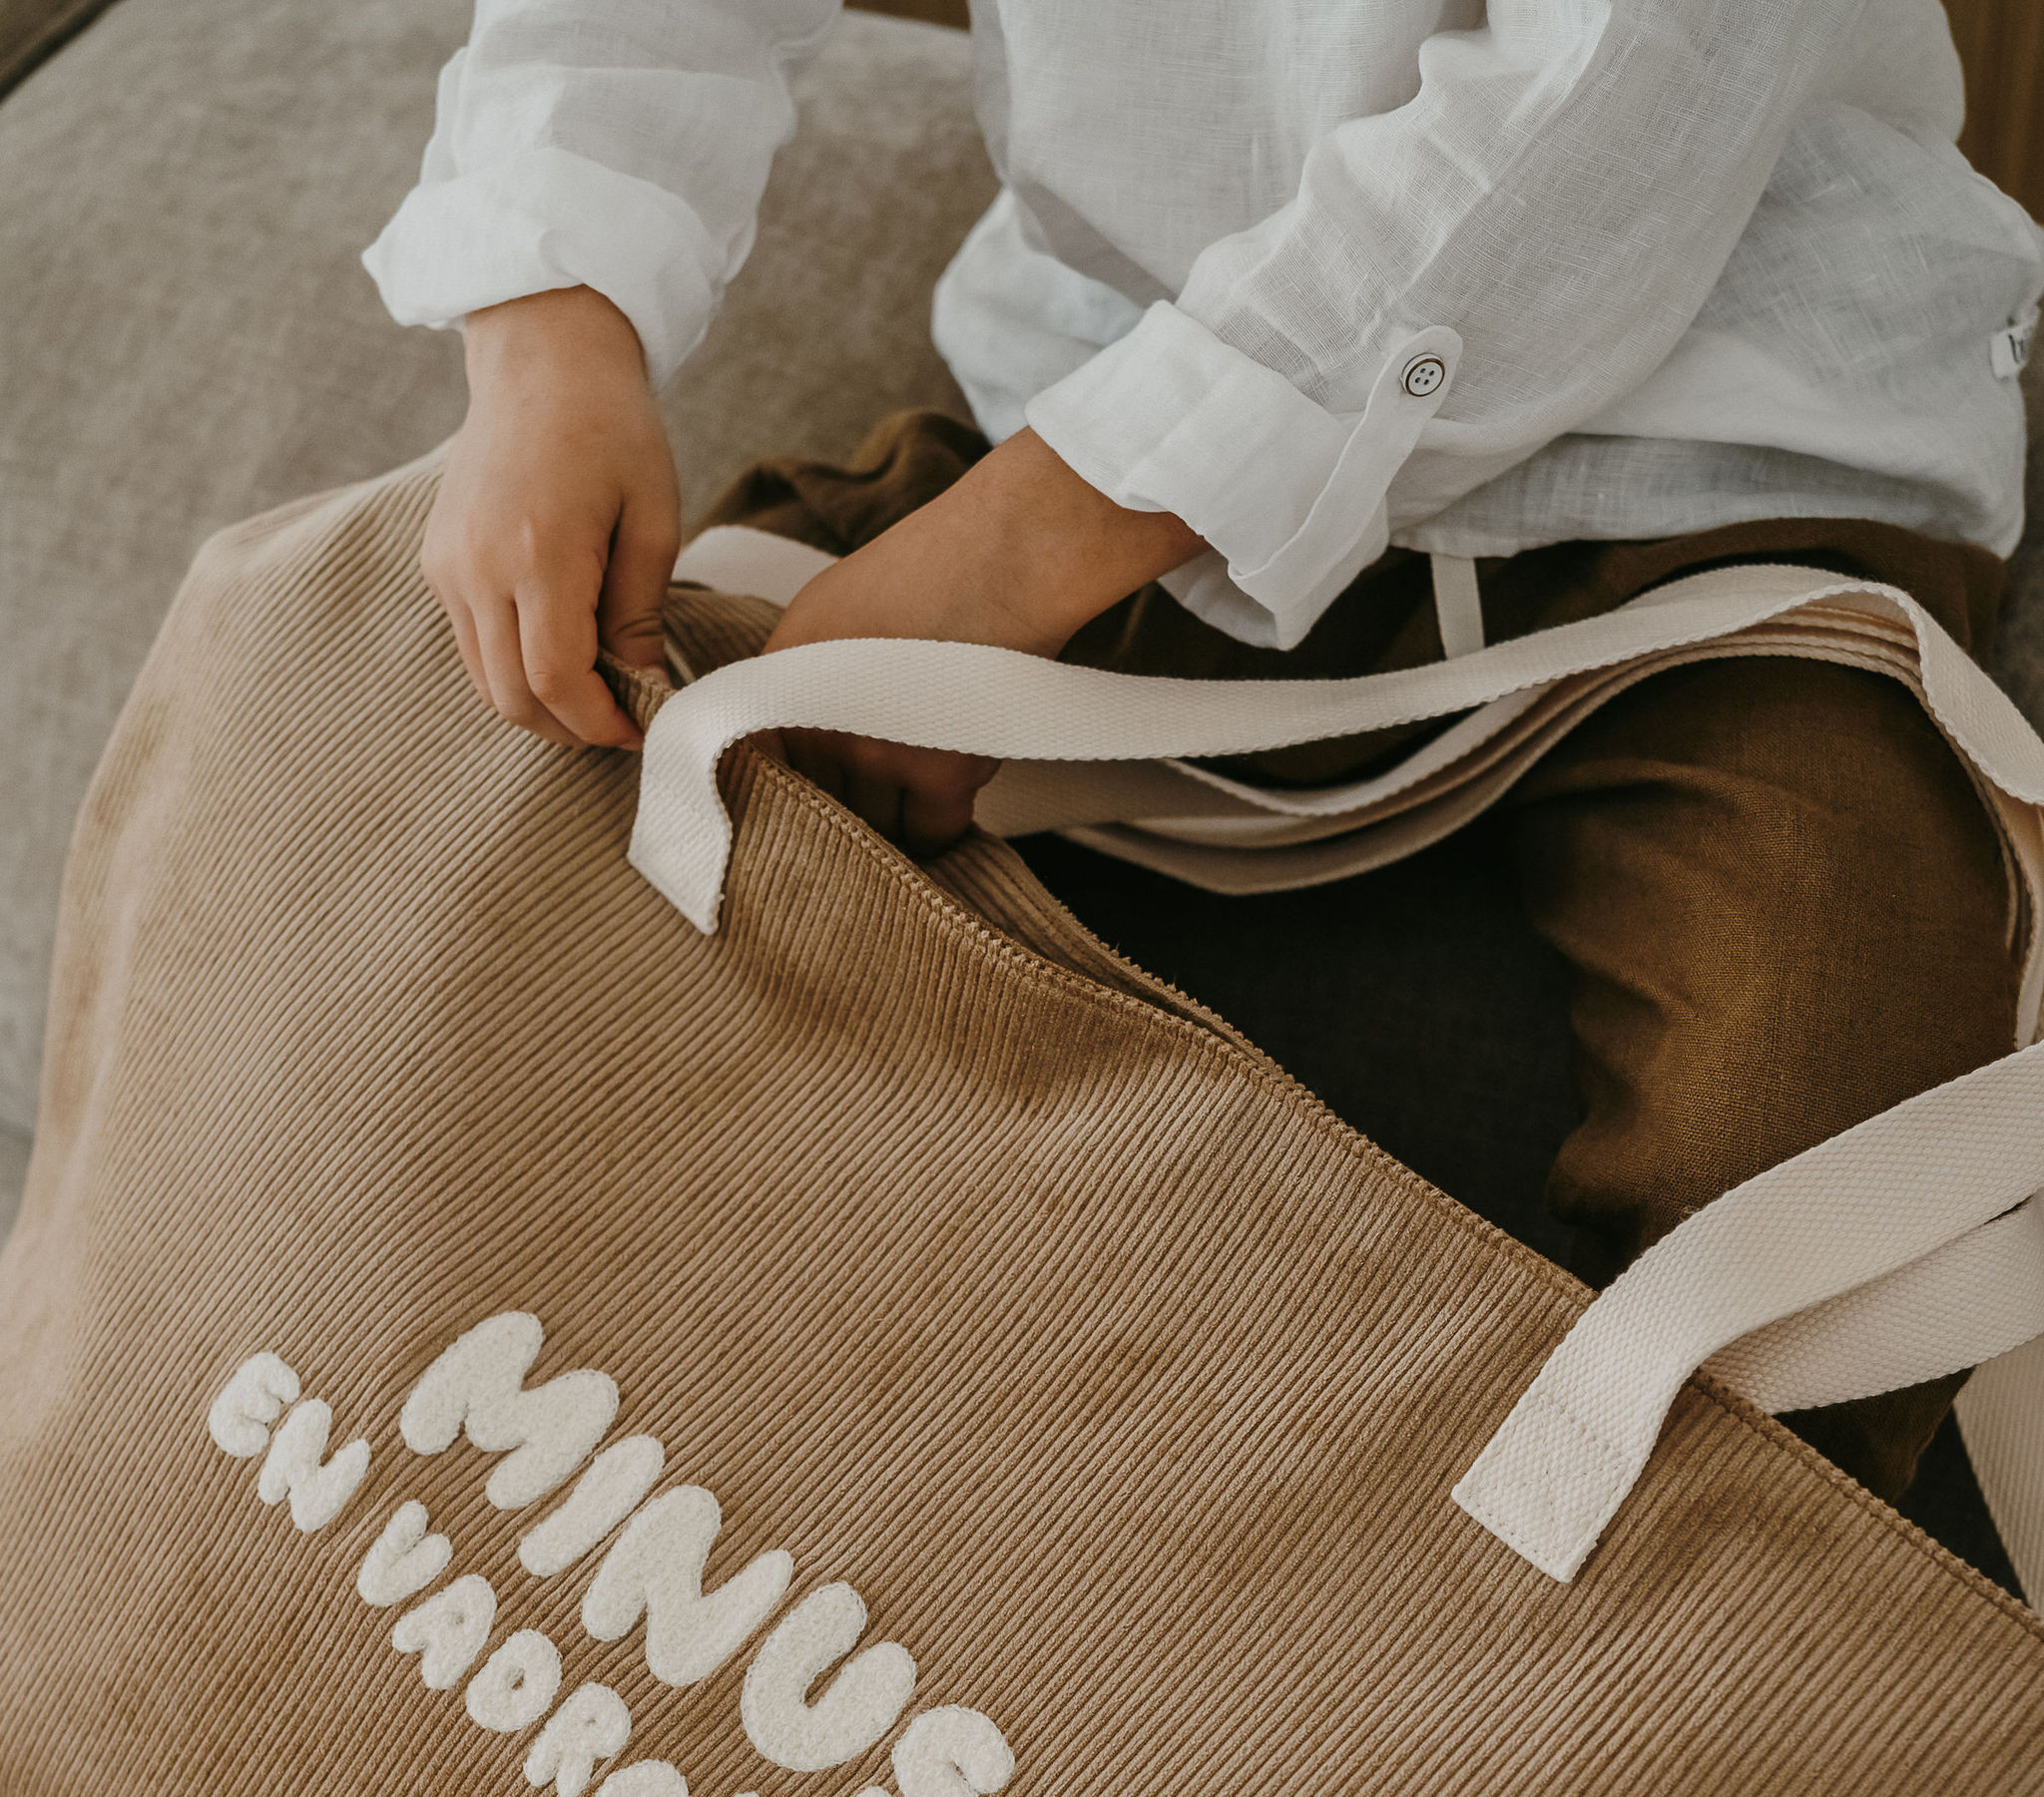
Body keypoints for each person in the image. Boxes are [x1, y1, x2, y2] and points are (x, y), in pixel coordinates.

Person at [364, 1, 2044, 1501]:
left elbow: (1627, 81)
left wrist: (1019, 556)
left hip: (1717, 484)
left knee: (1818, 1165)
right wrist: (550, 320)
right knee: (569, 801)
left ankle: (1623, 1702)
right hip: (1110, 377)